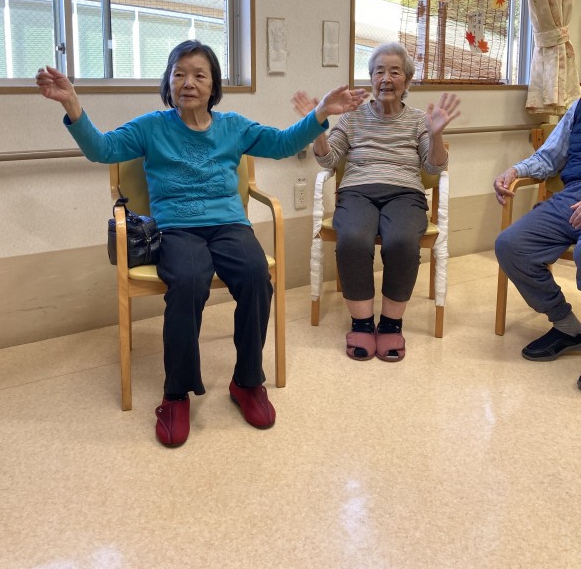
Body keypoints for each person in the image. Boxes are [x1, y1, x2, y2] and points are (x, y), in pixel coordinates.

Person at [36, 40, 368, 447]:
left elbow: (282, 143)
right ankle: (175, 394)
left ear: (213, 86)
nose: (188, 82)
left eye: (198, 75)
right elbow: (101, 150)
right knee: (188, 281)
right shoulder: (151, 127)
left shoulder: (233, 127)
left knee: (255, 276)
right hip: (177, 228)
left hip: (229, 224)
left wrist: (321, 114)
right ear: (168, 82)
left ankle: (247, 382)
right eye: (179, 74)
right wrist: (72, 103)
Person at [293, 42, 460, 362]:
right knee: (353, 238)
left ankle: (391, 325)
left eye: (394, 72)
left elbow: (434, 168)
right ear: (371, 78)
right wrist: (317, 126)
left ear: (407, 80)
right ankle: (362, 323)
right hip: (357, 191)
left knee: (402, 241)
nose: (386, 78)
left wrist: (436, 134)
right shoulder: (352, 117)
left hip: (405, 193)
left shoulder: (418, 120)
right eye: (379, 71)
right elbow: (329, 161)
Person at [494, 100, 581, 368]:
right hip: (571, 196)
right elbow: (548, 157)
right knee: (511, 245)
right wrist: (514, 171)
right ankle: (567, 326)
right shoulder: (578, 108)